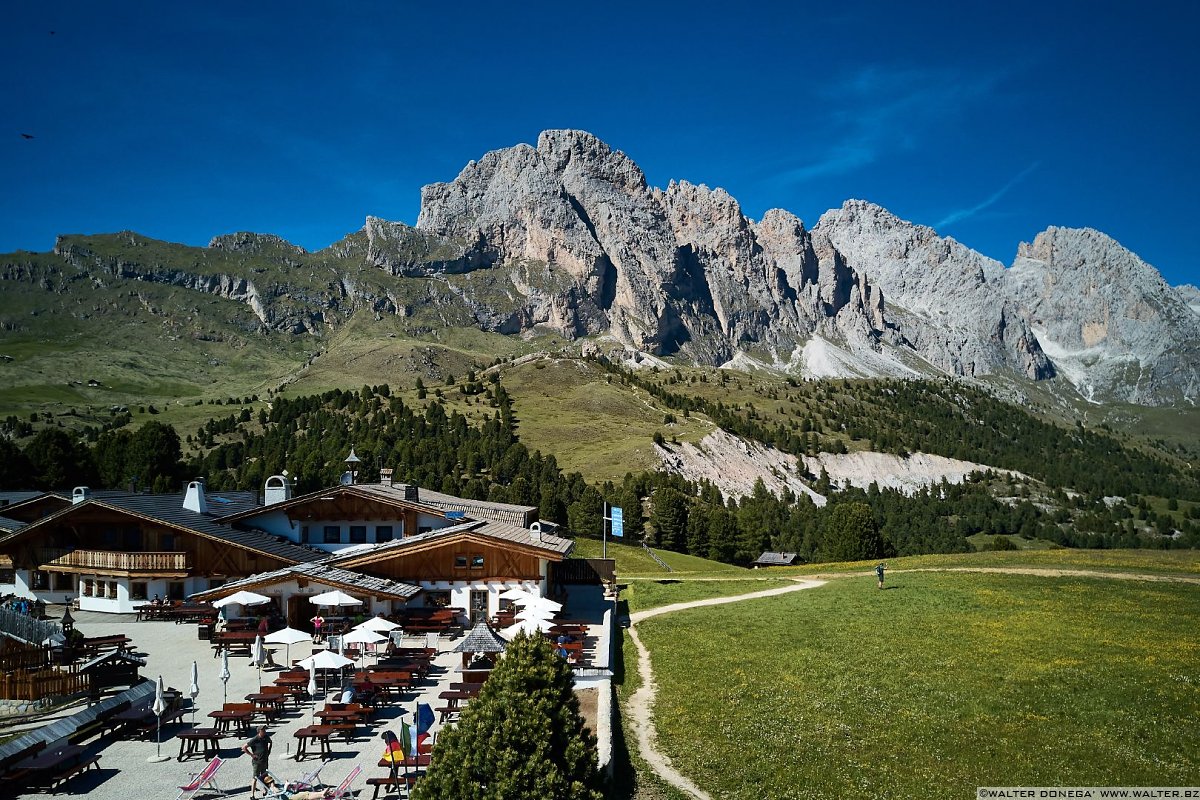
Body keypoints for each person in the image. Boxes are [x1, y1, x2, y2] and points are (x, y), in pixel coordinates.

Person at [243, 725, 273, 798]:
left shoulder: (266, 737)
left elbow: (270, 742)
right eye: (263, 730)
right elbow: (244, 747)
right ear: (259, 731)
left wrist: (268, 751)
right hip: (257, 762)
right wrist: (252, 755)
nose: (265, 731)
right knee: (255, 778)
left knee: (265, 777)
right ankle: (252, 795)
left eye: (265, 730)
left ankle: (266, 791)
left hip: (264, 761)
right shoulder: (255, 739)